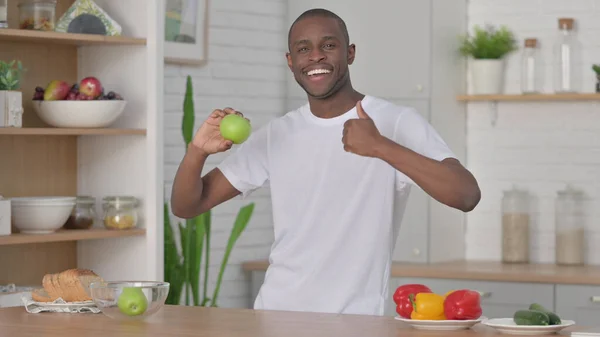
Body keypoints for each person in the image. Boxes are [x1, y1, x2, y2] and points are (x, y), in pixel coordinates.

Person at [171, 8, 481, 316]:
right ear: (290, 62)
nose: (316, 56)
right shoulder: (276, 134)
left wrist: (380, 146)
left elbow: (466, 194)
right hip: (275, 316)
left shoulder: (397, 121)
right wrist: (198, 151)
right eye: (303, 49)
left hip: (355, 322)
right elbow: (187, 205)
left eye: (328, 45)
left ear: (350, 53)